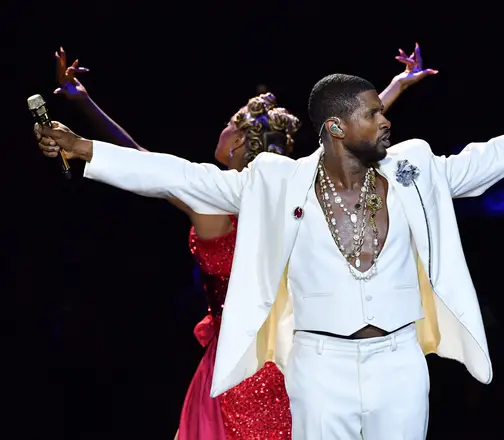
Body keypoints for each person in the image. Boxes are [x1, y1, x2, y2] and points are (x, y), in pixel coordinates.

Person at [35, 71, 504, 439]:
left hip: (397, 360)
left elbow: (490, 159)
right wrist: (85, 149)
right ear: (338, 128)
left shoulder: (411, 170)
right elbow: (177, 175)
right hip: (318, 368)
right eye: (374, 113)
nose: (386, 119)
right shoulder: (276, 182)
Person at [49, 46, 437, 440]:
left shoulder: (212, 208)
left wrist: (85, 106)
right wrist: (395, 88)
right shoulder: (293, 195)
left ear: (236, 144)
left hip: (236, 368)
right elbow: (343, 143)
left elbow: (146, 164)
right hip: (290, 362)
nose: (222, 129)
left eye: (228, 125)